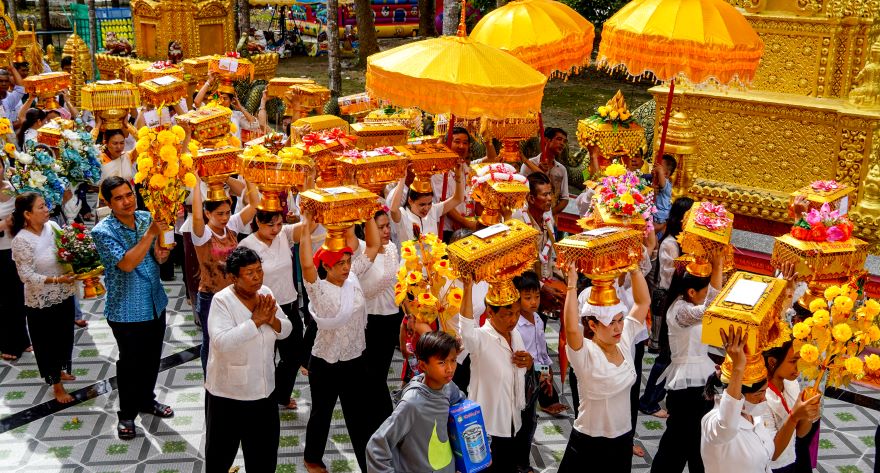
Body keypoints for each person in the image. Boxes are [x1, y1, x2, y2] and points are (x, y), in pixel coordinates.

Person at [92, 177, 174, 440]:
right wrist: (150, 234)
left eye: (129, 194)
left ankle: (147, 401)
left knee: (152, 358)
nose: (127, 201)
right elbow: (126, 264)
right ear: (107, 201)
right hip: (126, 308)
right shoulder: (103, 231)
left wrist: (163, 250)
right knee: (130, 364)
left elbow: (157, 255)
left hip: (154, 301)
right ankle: (126, 414)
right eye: (118, 198)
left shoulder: (144, 217)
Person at [299, 210, 381, 473]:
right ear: (326, 266)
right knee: (321, 413)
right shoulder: (319, 290)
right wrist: (305, 228)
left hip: (355, 358)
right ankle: (312, 457)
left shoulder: (353, 276)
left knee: (360, 418)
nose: (346, 268)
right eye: (339, 264)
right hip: (325, 362)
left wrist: (367, 213)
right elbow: (306, 266)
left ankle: (368, 466)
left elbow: (374, 245)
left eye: (347, 261)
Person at [204, 246, 292, 473]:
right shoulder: (222, 301)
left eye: (259, 270)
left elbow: (286, 329)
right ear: (234, 277)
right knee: (220, 457)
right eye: (250, 273)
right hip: (229, 396)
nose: (257, 277)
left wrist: (272, 320)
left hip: (264, 392)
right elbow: (221, 342)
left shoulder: (266, 293)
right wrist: (255, 322)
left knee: (263, 458)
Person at [558, 261, 650, 472]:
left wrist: (634, 267)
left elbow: (643, 302)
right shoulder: (585, 354)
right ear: (592, 325)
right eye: (612, 322)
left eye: (620, 320)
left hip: (622, 438)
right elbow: (572, 329)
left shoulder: (624, 339)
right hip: (589, 442)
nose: (619, 327)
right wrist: (571, 285)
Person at [701, 326, 821, 473]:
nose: (764, 399)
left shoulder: (755, 418)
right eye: (759, 394)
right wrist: (738, 367)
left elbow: (767, 459)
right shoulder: (714, 423)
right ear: (739, 395)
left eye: (765, 391)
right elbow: (727, 423)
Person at [651, 252, 725, 473]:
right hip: (686, 388)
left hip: (701, 383)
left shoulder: (686, 305)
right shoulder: (680, 310)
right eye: (703, 292)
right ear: (691, 292)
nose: (705, 295)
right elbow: (711, 307)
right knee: (676, 445)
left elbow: (711, 306)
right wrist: (718, 266)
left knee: (699, 446)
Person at [10, 192, 77, 403]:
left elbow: (67, 251)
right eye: (41, 207)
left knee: (64, 335)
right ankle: (56, 384)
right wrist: (56, 281)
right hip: (41, 300)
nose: (47, 209)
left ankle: (62, 369)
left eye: (45, 205)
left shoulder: (53, 227)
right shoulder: (21, 240)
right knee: (46, 342)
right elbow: (26, 276)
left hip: (64, 293)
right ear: (27, 214)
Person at [366, 331, 465, 473]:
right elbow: (377, 447)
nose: (450, 368)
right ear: (423, 365)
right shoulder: (412, 404)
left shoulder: (449, 388)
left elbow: (467, 412)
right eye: (442, 362)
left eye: (453, 360)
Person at [460, 279, 530, 473]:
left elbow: (520, 369)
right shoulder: (480, 338)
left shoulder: (516, 336)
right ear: (490, 313)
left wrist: (528, 362)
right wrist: (467, 288)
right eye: (508, 314)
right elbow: (465, 328)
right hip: (487, 426)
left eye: (517, 313)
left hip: (513, 422)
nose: (514, 320)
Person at [238, 209, 305, 410]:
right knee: (263, 357)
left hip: (289, 304)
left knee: (293, 356)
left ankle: (281, 394)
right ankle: (261, 398)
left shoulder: (284, 235)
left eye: (279, 224)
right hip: (262, 309)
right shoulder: (247, 245)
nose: (276, 229)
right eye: (271, 225)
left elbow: (309, 226)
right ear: (258, 221)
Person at [191, 173, 258, 373]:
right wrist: (195, 183)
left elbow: (254, 204)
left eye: (227, 212)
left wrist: (248, 169)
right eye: (219, 214)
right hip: (211, 296)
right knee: (212, 342)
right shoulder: (201, 234)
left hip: (235, 295)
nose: (225, 218)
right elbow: (195, 216)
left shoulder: (232, 226)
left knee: (236, 339)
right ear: (207, 213)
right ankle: (211, 380)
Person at [640, 197, 695, 416]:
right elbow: (669, 276)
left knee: (674, 354)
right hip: (669, 302)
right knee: (667, 354)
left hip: (680, 302)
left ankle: (658, 397)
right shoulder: (670, 244)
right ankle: (649, 401)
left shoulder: (684, 242)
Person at [514, 271, 567, 473]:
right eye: (527, 298)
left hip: (537, 375)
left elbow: (541, 349)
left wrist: (546, 370)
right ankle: (520, 463)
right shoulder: (516, 325)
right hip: (523, 377)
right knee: (523, 420)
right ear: (517, 297)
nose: (534, 302)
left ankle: (522, 460)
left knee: (530, 419)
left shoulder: (537, 318)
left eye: (536, 296)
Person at [359, 209, 402, 426]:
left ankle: (380, 422)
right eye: (380, 227)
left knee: (379, 376)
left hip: (391, 319)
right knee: (372, 378)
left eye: (387, 226)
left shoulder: (393, 248)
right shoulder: (361, 253)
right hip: (370, 322)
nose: (386, 231)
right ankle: (383, 421)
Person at [763, 340, 820, 473]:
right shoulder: (760, 396)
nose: (798, 368)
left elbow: (801, 433)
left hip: (791, 459)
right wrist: (794, 417)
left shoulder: (791, 384)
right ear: (772, 362)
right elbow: (773, 453)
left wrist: (808, 413)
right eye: (793, 361)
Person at [388, 163, 465, 243]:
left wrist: (458, 175)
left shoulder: (433, 210)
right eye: (422, 204)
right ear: (410, 201)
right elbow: (393, 209)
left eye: (429, 203)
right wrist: (402, 179)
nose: (426, 208)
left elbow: (457, 199)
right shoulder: (403, 215)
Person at [0, 159, 29, 361]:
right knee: (4, 300)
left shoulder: (12, 185)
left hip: (16, 248)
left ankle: (23, 338)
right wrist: (3, 224)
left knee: (19, 296)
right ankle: (7, 343)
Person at [513, 172, 557, 280]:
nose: (550, 198)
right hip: (527, 286)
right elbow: (519, 266)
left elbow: (551, 259)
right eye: (545, 195)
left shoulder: (548, 219)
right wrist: (542, 287)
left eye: (550, 193)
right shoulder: (519, 223)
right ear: (531, 199)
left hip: (548, 280)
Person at [194, 71, 258, 142]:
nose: (221, 101)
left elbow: (254, 124)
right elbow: (197, 102)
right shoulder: (211, 112)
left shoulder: (236, 115)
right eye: (219, 97)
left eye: (225, 98)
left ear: (231, 101)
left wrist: (240, 108)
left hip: (234, 151)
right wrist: (208, 82)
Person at [520, 128, 570, 216]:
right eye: (559, 139)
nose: (562, 144)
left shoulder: (561, 169)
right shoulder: (528, 166)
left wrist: (549, 215)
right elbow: (521, 194)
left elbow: (565, 199)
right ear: (546, 140)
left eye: (564, 141)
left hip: (552, 218)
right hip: (529, 215)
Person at [652, 155, 677, 235]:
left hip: (660, 216)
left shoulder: (666, 184)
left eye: (659, 168)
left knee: (655, 235)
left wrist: (660, 172)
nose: (654, 169)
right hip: (653, 214)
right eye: (654, 166)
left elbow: (662, 184)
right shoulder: (653, 181)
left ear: (666, 174)